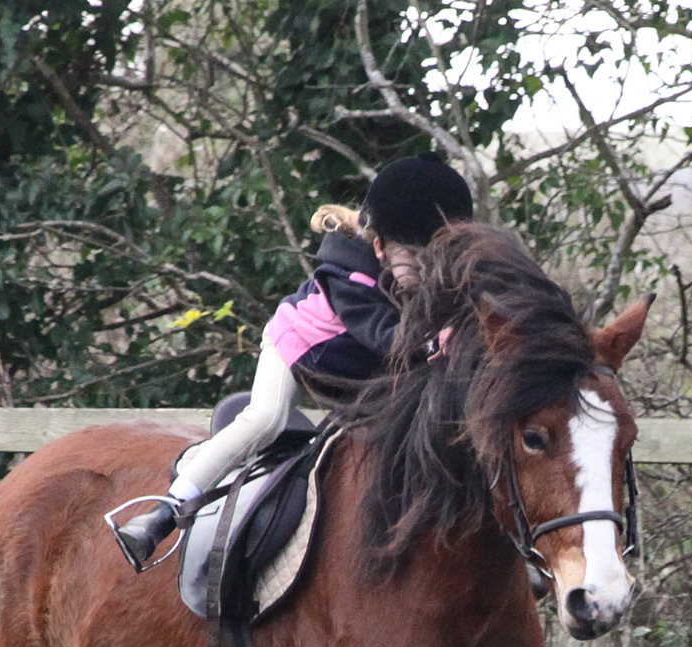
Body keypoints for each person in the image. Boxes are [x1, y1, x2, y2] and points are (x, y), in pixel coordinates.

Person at [109, 152, 475, 570]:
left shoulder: (423, 274)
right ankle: (166, 511)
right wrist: (439, 341)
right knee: (264, 420)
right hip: (299, 347)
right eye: (416, 258)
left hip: (357, 369)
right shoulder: (347, 280)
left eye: (437, 259)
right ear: (379, 246)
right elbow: (385, 339)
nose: (428, 272)